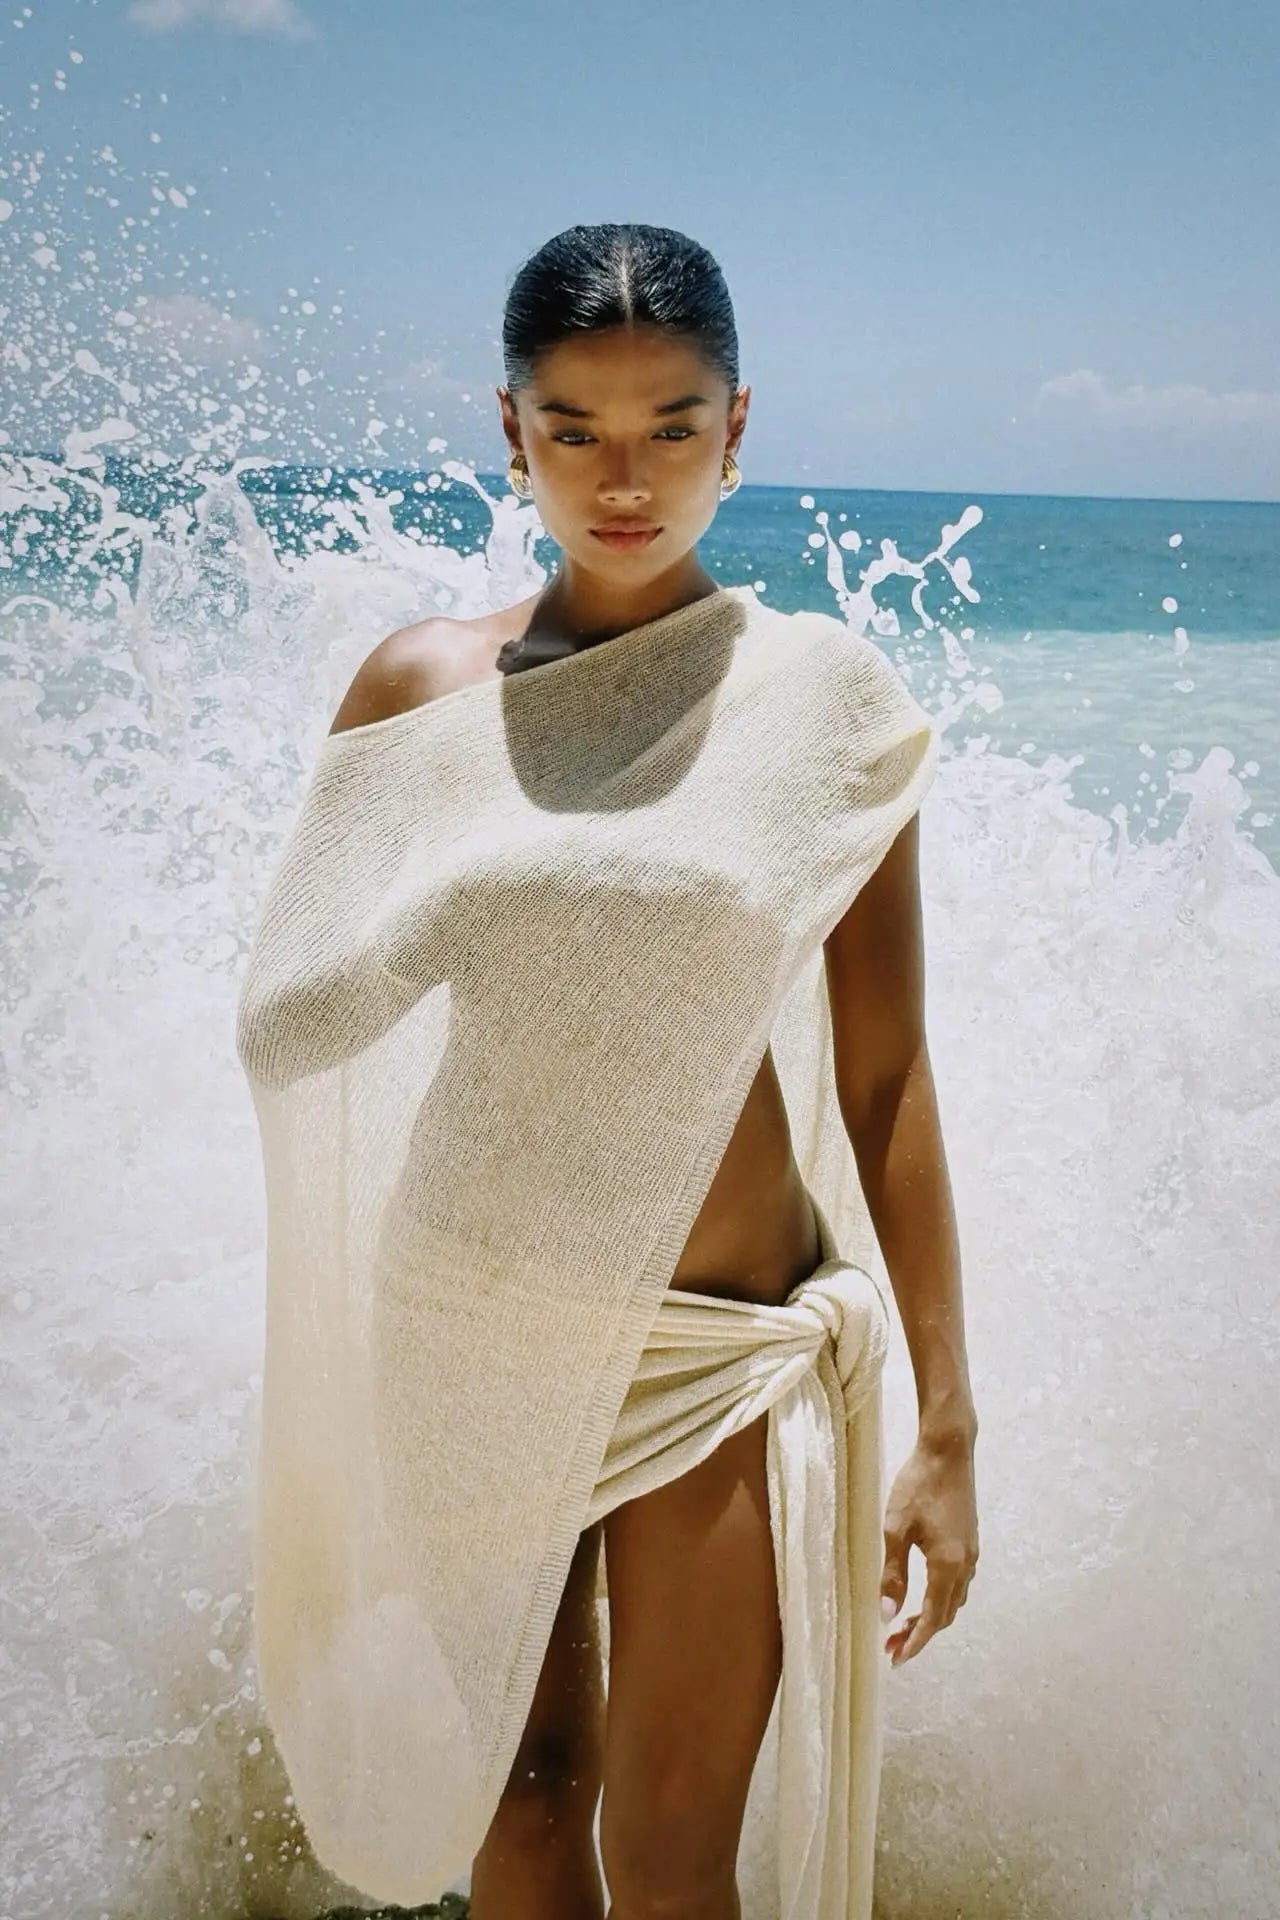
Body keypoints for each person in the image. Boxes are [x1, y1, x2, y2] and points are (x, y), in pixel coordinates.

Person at [320, 223, 980, 1920]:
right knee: (523, 1813)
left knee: (675, 1859)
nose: (628, 478)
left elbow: (888, 1076)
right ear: (510, 428)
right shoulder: (416, 689)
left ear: (741, 425)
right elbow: (312, 1014)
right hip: (471, 1314)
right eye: (577, 430)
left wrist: (947, 1424)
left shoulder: (822, 697)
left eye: (674, 427)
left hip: (714, 1347)